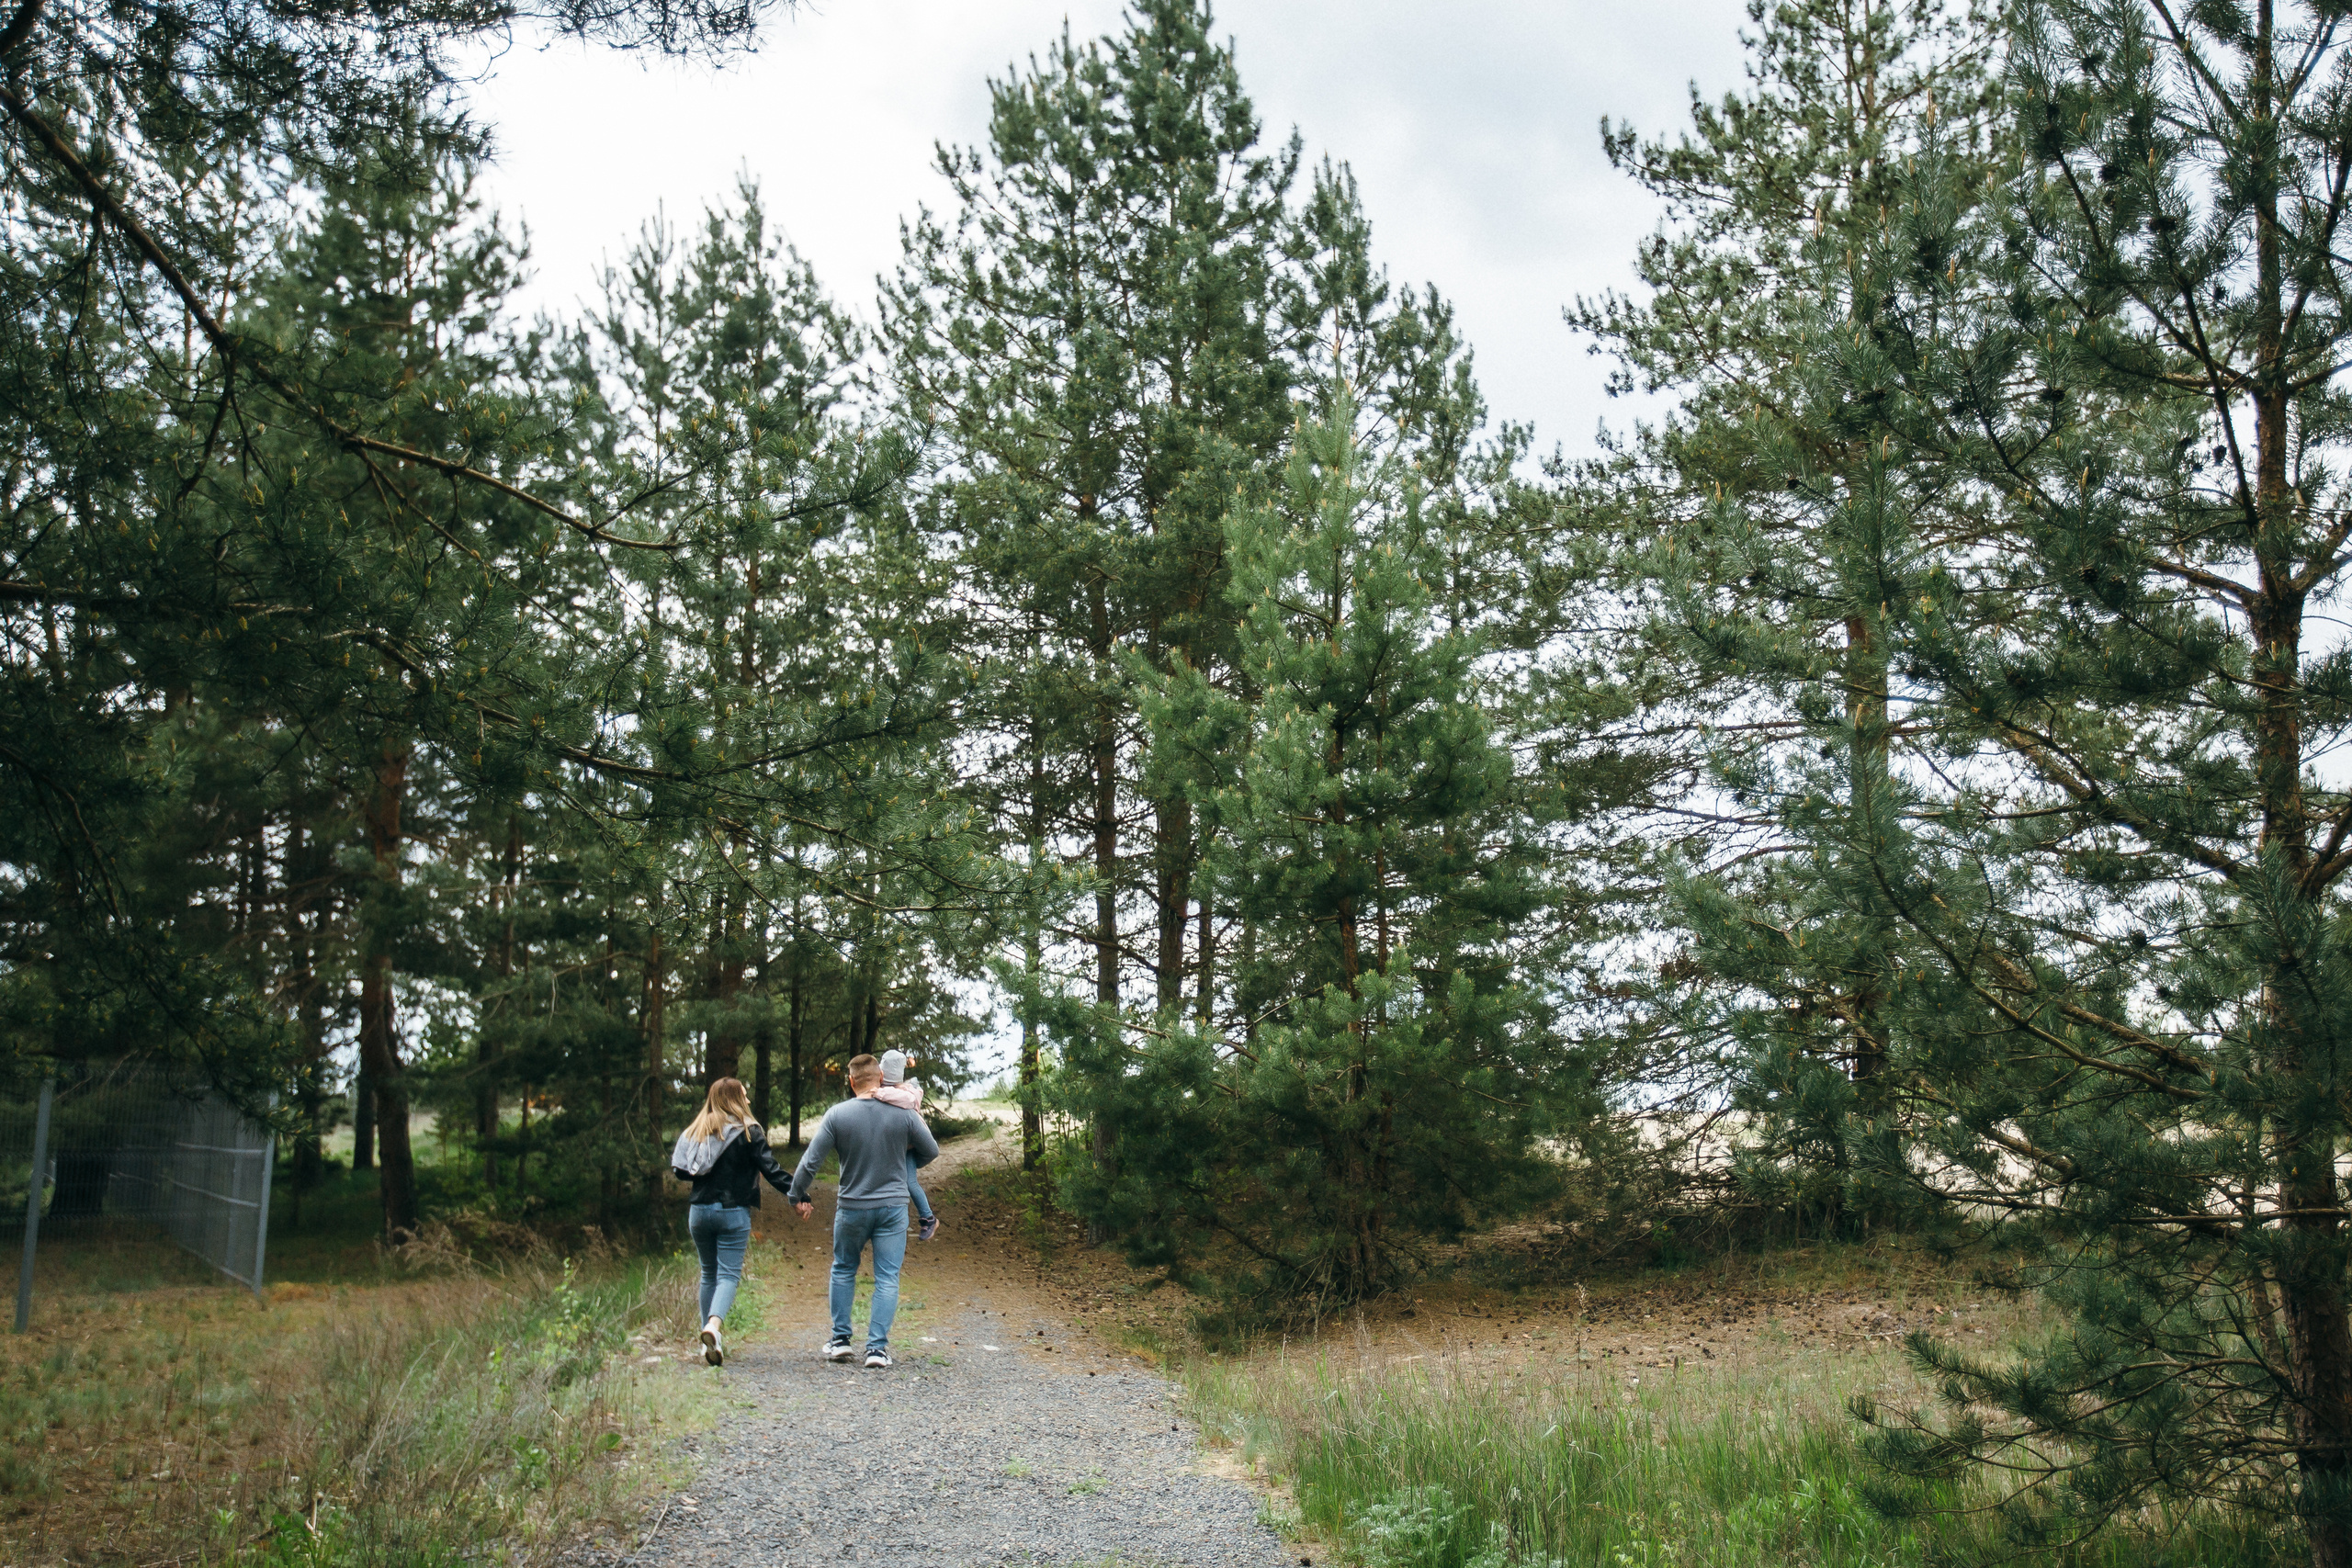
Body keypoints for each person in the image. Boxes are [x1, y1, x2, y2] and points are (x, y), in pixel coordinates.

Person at [787, 1053, 940, 1369]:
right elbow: (931, 1150)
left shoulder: (837, 1115)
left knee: (844, 1268)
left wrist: (796, 1195)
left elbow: (811, 1162)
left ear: (851, 1081)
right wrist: (902, 1165)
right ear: (881, 1078)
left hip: (852, 1208)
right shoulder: (905, 1114)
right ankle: (877, 1350)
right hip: (892, 1209)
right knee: (887, 1277)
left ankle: (840, 1340)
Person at [670, 1076, 792, 1367]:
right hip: (732, 1211)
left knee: (708, 1273)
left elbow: (681, 1171)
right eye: (744, 1095)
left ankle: (708, 1343)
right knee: (728, 1276)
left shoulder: (696, 1130)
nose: (748, 1100)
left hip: (699, 1212)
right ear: (734, 1100)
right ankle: (713, 1327)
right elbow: (771, 1170)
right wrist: (798, 1193)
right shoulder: (749, 1131)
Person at [870, 1049, 940, 1241]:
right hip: (892, 1147)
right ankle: (881, 1219)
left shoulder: (907, 1092)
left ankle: (928, 1217)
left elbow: (907, 1100)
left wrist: (878, 1093)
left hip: (908, 1148)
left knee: (909, 1183)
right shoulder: (887, 1090)